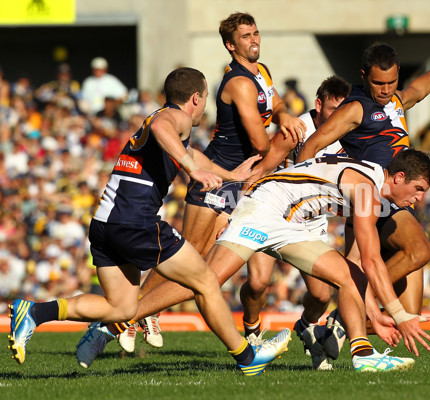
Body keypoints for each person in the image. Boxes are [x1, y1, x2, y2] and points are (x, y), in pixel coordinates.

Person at [8, 67, 291, 376]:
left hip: (105, 223)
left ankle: (35, 311)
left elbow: (189, 151)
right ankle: (248, 357)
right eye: (206, 98)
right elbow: (163, 128)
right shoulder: (173, 118)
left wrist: (230, 175)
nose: (205, 104)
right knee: (206, 281)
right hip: (134, 220)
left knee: (122, 308)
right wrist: (191, 170)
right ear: (195, 98)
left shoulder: (168, 123)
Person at [110, 12, 306, 354]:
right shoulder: (240, 83)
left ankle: (138, 312)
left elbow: (274, 102)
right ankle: (132, 312)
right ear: (231, 46)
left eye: (256, 32)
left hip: (240, 178)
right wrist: (285, 138)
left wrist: (285, 114)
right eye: (246, 36)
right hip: (220, 177)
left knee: (209, 262)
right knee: (190, 254)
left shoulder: (261, 72)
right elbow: (261, 145)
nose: (254, 39)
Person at [205, 148, 430, 372]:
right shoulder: (367, 190)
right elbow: (372, 261)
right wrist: (399, 314)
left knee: (345, 277)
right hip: (267, 209)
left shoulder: (370, 185)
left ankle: (363, 355)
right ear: (399, 177)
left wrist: (376, 315)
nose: (418, 198)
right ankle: (249, 350)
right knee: (205, 283)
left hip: (292, 217)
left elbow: (362, 263)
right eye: (418, 188)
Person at [296, 39, 430, 365]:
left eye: (391, 82)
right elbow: (311, 145)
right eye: (378, 83)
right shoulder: (354, 108)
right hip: (376, 198)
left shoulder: (395, 99)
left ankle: (333, 329)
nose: (385, 89)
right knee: (420, 250)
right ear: (364, 75)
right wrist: (308, 189)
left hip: (395, 201)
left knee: (409, 315)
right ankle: (348, 313)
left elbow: (416, 91)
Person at [238, 75, 351, 369]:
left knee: (321, 295)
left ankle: (306, 326)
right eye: (333, 108)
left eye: (343, 109)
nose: (338, 115)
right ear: (318, 104)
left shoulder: (349, 132)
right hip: (273, 212)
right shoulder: (296, 128)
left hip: (311, 222)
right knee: (259, 283)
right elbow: (267, 162)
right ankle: (252, 331)